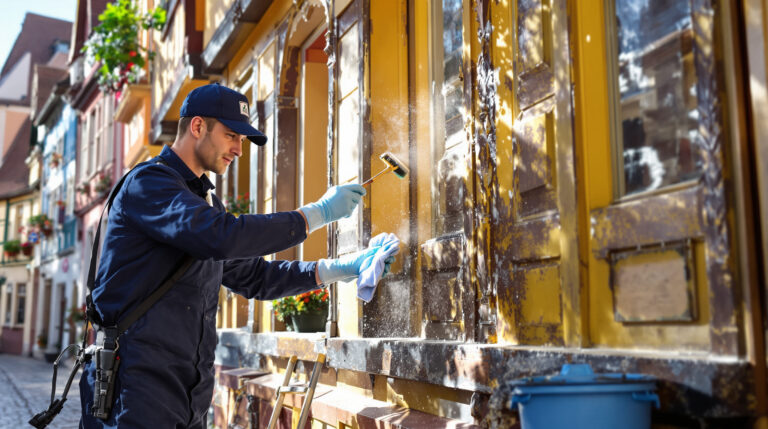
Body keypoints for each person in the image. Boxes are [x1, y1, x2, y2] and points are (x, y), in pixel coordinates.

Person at [79, 83, 396, 428]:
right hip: (135, 387)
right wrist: (316, 214)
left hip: (189, 393)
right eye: (231, 135)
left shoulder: (204, 203)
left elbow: (256, 278)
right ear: (197, 126)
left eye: (242, 140)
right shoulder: (149, 184)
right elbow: (221, 236)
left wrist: (341, 268)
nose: (239, 150)